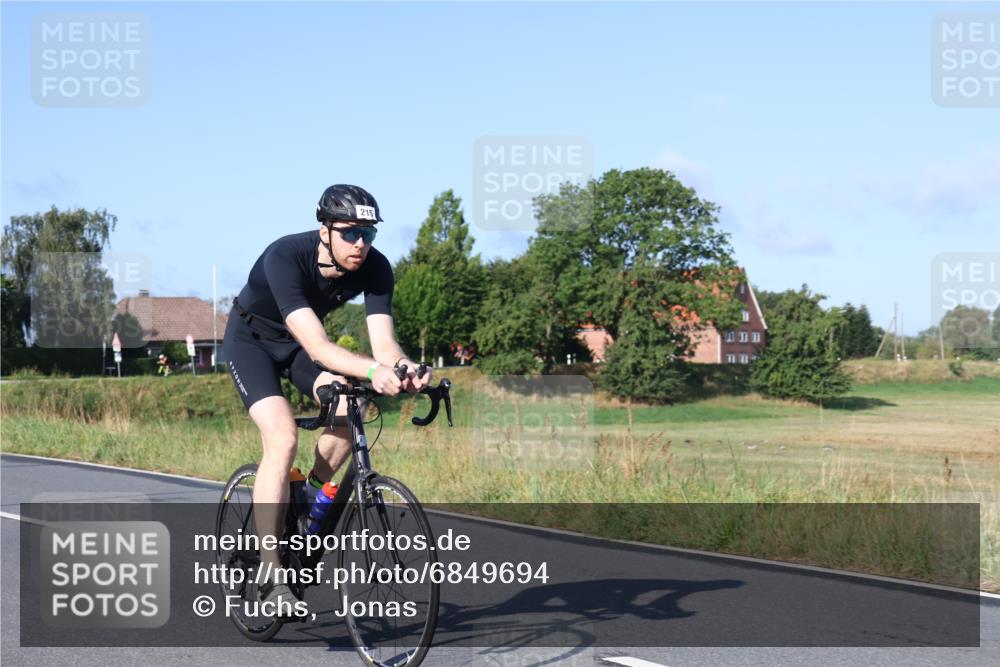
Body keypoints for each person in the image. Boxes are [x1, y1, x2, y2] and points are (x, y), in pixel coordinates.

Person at [223, 184, 429, 615]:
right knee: (282, 439)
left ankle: (310, 494)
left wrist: (407, 370)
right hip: (252, 341)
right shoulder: (285, 256)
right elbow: (318, 347)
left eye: (368, 235)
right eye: (350, 233)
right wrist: (373, 371)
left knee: (349, 403)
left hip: (296, 346)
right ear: (325, 230)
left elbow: (384, 346)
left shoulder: (376, 268)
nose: (360, 244)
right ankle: (271, 570)